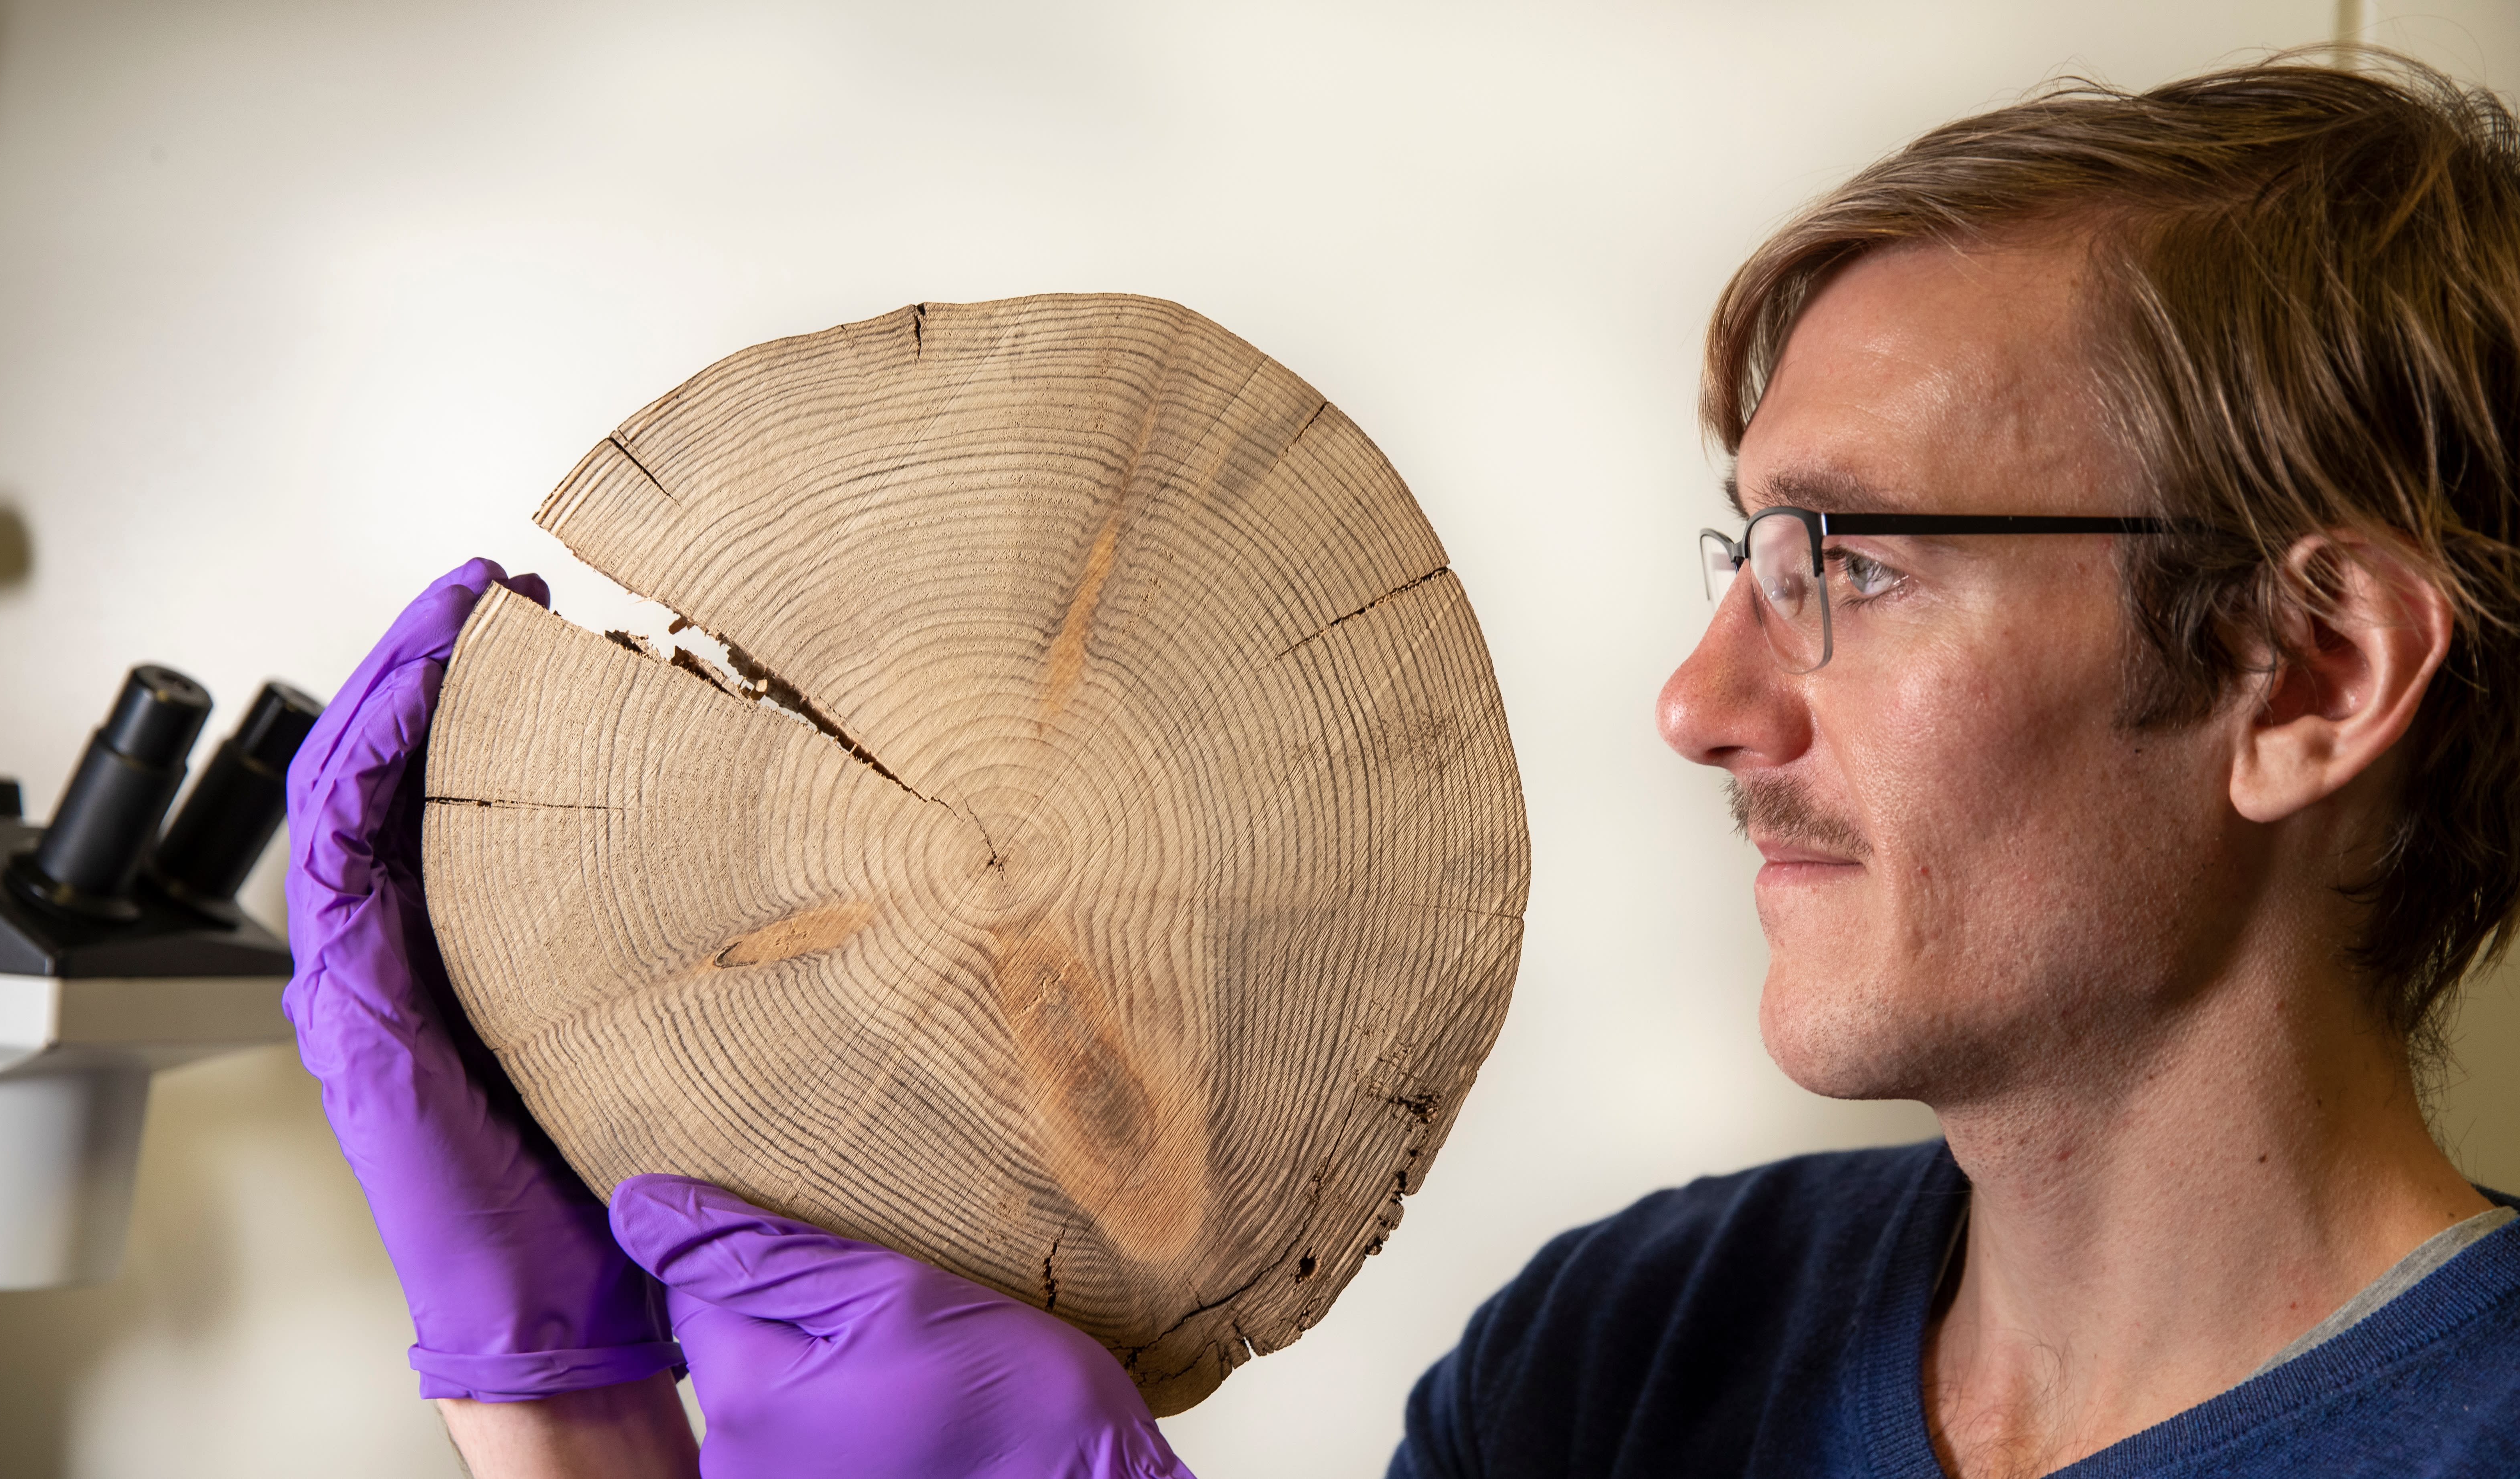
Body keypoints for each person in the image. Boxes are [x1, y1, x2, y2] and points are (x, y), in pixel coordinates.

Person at [284, 48, 2520, 1479]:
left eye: (1854, 561)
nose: (1700, 701)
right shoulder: (1628, 1354)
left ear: (2309, 674)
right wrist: (572, 1423)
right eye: (1745, 552)